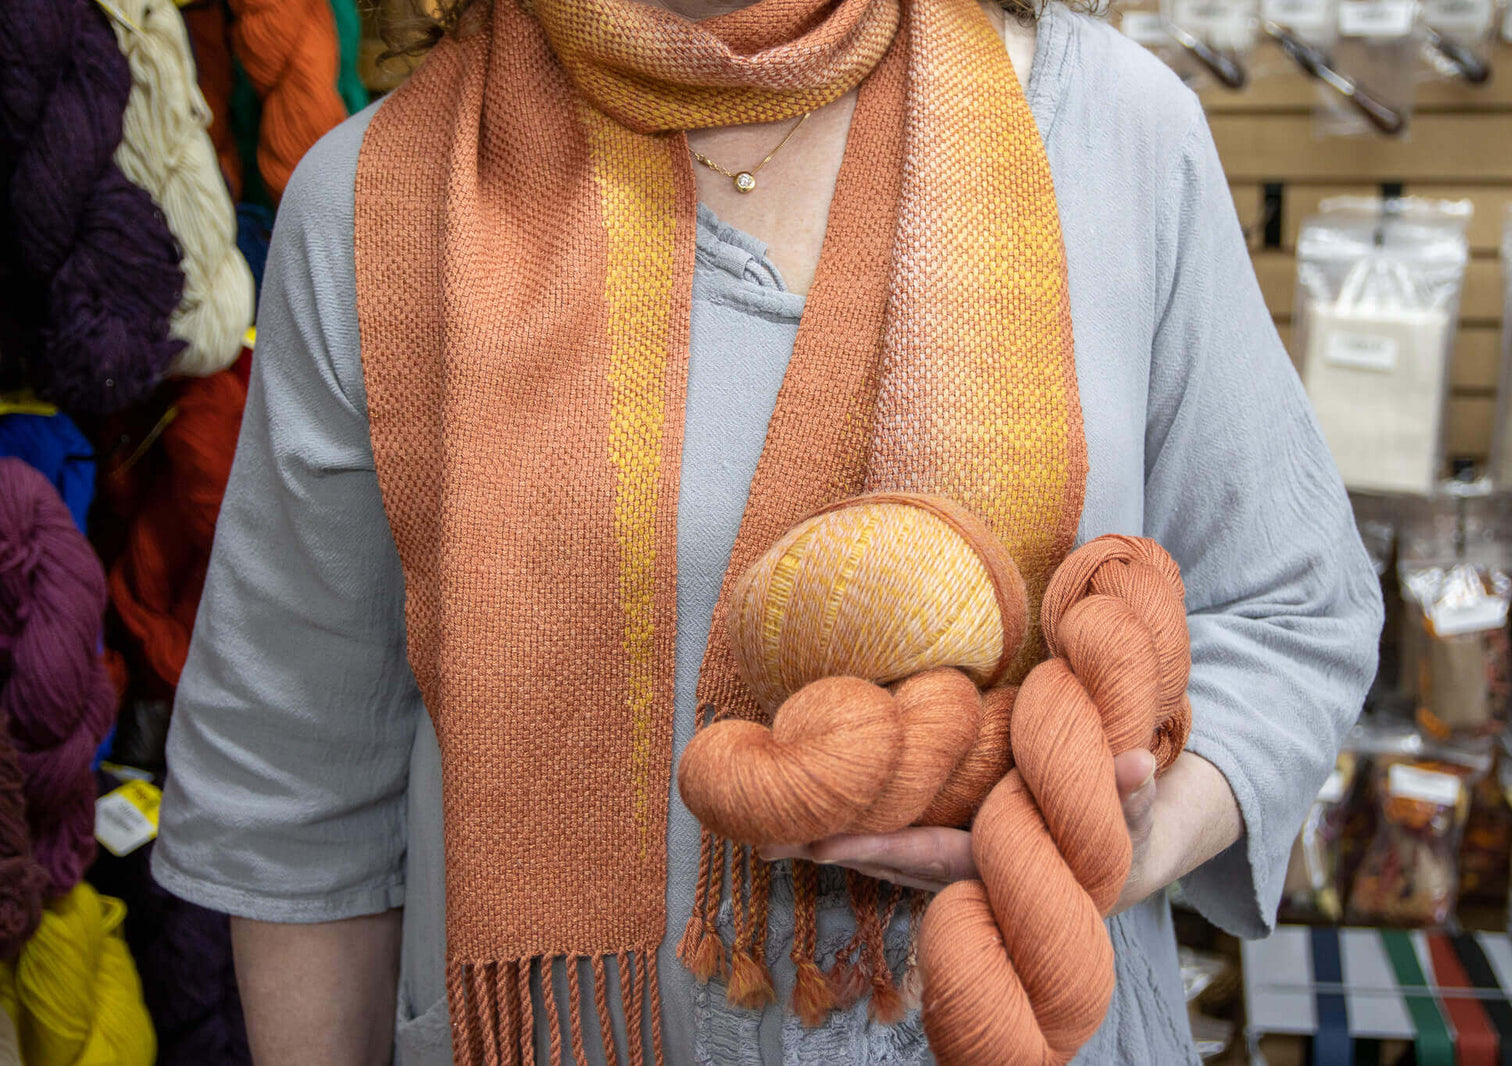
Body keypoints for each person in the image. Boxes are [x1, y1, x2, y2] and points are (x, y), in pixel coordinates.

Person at [151, 0, 1383, 1061]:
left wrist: (1137, 827)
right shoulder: (381, 207)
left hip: (1026, 1014)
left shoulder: (1118, 133)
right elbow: (298, 794)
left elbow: (1290, 607)